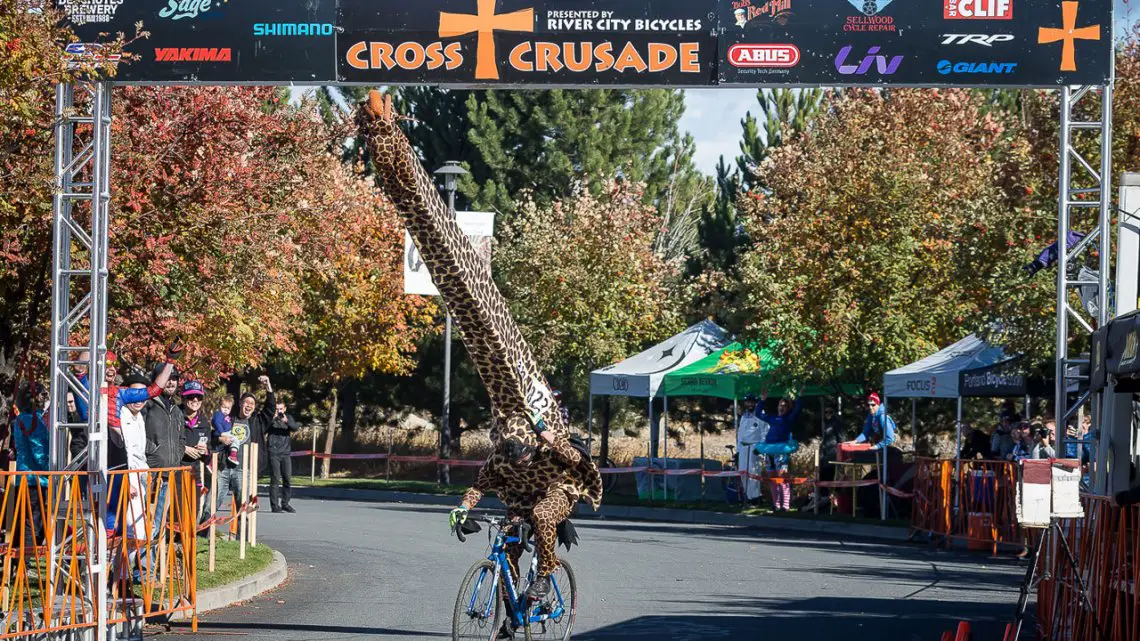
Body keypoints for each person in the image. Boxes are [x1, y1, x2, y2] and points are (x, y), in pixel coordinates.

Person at [449, 412, 602, 635]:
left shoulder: (547, 449)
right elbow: (479, 486)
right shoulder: (499, 459)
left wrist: (546, 433)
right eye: (515, 461)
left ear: (532, 446)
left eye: (524, 458)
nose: (520, 464)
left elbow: (576, 459)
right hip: (521, 502)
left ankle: (544, 576)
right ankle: (513, 618)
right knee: (506, 548)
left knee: (542, 514)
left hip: (556, 493)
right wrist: (463, 507)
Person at [201, 375, 274, 527]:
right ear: (240, 403)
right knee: (211, 503)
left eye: (252, 404)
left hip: (244, 471)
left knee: (243, 508)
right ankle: (203, 536)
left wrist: (268, 386)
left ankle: (242, 540)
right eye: (246, 402)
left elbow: (270, 408)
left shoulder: (257, 422)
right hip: (224, 468)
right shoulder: (229, 419)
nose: (249, 405)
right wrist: (220, 440)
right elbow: (214, 437)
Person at [143, 363, 186, 537]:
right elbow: (138, 435)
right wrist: (152, 452)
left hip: (169, 474)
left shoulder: (177, 411)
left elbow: (181, 438)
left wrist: (178, 454)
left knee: (159, 524)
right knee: (146, 522)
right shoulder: (147, 405)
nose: (171, 383)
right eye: (167, 378)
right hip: (150, 474)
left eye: (174, 379)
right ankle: (142, 563)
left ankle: (151, 563)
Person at [13, 382, 50, 547]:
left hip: (25, 476)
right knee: (33, 521)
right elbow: (39, 451)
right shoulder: (32, 421)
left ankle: (19, 561)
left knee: (26, 519)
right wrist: (52, 470)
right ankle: (24, 561)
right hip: (36, 479)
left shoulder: (21, 419)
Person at [757, 390, 803, 512]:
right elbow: (758, 414)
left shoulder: (789, 419)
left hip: (781, 452)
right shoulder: (772, 418)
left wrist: (799, 396)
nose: (782, 408)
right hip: (769, 452)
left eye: (785, 406)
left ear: (788, 408)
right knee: (772, 479)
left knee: (783, 479)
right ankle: (776, 504)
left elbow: (797, 409)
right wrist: (762, 400)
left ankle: (786, 505)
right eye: (780, 405)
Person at [180, 380, 210, 509]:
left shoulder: (204, 422)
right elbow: (165, 442)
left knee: (193, 514)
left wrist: (205, 451)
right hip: (175, 474)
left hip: (195, 475)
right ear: (183, 398)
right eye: (191, 396)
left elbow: (208, 456)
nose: (195, 400)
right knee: (176, 518)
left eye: (199, 397)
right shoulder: (174, 416)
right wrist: (183, 449)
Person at [266, 398, 298, 513]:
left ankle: (285, 503)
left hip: (285, 453)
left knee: (287, 479)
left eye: (281, 409)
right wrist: (272, 418)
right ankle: (274, 506)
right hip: (273, 452)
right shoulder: (271, 419)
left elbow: (295, 428)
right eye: (277, 409)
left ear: (284, 409)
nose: (279, 411)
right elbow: (264, 429)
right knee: (275, 479)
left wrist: (286, 421)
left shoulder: (288, 418)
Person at [736, 394, 769, 503]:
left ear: (755, 403)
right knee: (743, 472)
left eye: (751, 402)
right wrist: (738, 450)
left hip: (755, 446)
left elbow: (765, 432)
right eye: (747, 402)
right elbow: (740, 434)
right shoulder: (744, 416)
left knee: (753, 472)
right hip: (743, 447)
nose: (749, 404)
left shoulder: (760, 414)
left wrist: (761, 448)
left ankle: (755, 497)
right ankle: (747, 496)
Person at [816, 406, 846, 501]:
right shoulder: (826, 423)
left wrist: (840, 453)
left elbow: (841, 439)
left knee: (833, 476)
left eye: (830, 412)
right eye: (826, 412)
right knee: (823, 476)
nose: (828, 414)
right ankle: (825, 499)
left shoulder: (837, 423)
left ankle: (835, 499)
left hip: (833, 454)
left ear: (834, 412)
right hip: (825, 455)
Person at [211, 395, 238, 465]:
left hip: (225, 432)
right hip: (222, 433)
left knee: (219, 450)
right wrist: (222, 433)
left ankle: (211, 463)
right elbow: (217, 423)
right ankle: (233, 455)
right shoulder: (219, 414)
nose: (225, 410)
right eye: (224, 407)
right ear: (219, 406)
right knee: (236, 440)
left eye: (228, 408)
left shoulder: (227, 416)